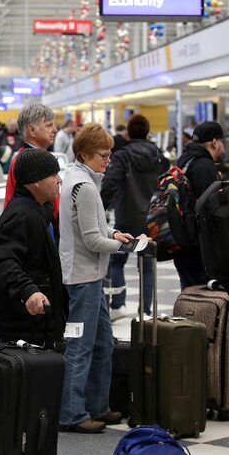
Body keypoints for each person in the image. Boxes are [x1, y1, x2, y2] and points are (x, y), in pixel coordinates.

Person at [0, 148, 80, 455]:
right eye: (54, 175)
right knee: (35, 412)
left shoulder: (36, 211)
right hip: (26, 330)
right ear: (35, 181)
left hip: (37, 326)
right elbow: (3, 261)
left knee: (35, 411)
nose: (59, 180)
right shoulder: (22, 216)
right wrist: (28, 291)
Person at [59, 124, 138, 434]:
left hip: (86, 274)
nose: (109, 160)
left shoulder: (75, 179)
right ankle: (73, 413)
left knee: (103, 342)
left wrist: (114, 233)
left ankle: (97, 405)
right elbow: (92, 240)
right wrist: (124, 245)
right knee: (80, 346)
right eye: (103, 155)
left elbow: (92, 228)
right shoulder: (87, 188)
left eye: (110, 154)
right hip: (85, 277)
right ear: (85, 155)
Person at [101, 114, 170, 318]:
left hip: (126, 216)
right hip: (151, 218)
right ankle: (145, 311)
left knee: (116, 261)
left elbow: (110, 183)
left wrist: (101, 206)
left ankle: (119, 305)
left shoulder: (123, 156)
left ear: (128, 133)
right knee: (147, 264)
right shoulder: (158, 156)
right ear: (148, 133)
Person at [172, 121, 225, 289]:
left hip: (182, 241)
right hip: (199, 247)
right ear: (214, 142)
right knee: (205, 300)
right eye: (222, 142)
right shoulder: (204, 166)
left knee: (188, 295)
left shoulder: (184, 160)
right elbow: (210, 209)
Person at [3, 104, 59, 218]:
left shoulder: (37, 157)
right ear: (32, 130)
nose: (55, 129)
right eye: (49, 125)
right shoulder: (25, 162)